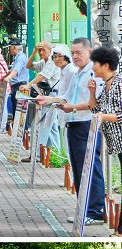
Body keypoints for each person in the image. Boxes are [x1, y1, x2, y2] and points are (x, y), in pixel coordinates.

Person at [57, 38, 106, 226]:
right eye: (73, 52)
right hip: (74, 124)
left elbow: (95, 104)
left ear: (90, 52)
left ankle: (94, 211)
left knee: (90, 168)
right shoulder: (77, 73)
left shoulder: (94, 73)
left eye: (79, 52)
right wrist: (49, 100)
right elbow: (66, 98)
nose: (75, 56)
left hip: (87, 124)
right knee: (79, 169)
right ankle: (83, 208)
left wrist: (73, 108)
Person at [88, 46, 122, 235]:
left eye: (95, 64)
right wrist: (92, 93)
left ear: (106, 65)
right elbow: (95, 109)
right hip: (117, 143)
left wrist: (103, 116)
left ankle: (120, 231)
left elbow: (119, 114)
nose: (93, 67)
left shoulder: (119, 83)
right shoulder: (106, 85)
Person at [20, 40, 61, 158]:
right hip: (49, 96)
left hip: (51, 96)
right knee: (51, 127)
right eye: (39, 50)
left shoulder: (53, 61)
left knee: (40, 124)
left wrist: (28, 85)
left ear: (50, 50)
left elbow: (42, 76)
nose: (41, 52)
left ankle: (37, 155)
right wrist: (33, 53)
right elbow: (28, 66)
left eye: (43, 50)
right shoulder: (44, 62)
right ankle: (55, 155)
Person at [4, 39, 29, 119]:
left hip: (20, 86)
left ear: (14, 47)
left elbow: (16, 71)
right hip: (17, 86)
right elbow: (11, 71)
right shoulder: (17, 58)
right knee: (18, 112)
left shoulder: (20, 57)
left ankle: (23, 131)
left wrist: (8, 78)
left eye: (10, 47)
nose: (9, 50)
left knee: (20, 113)